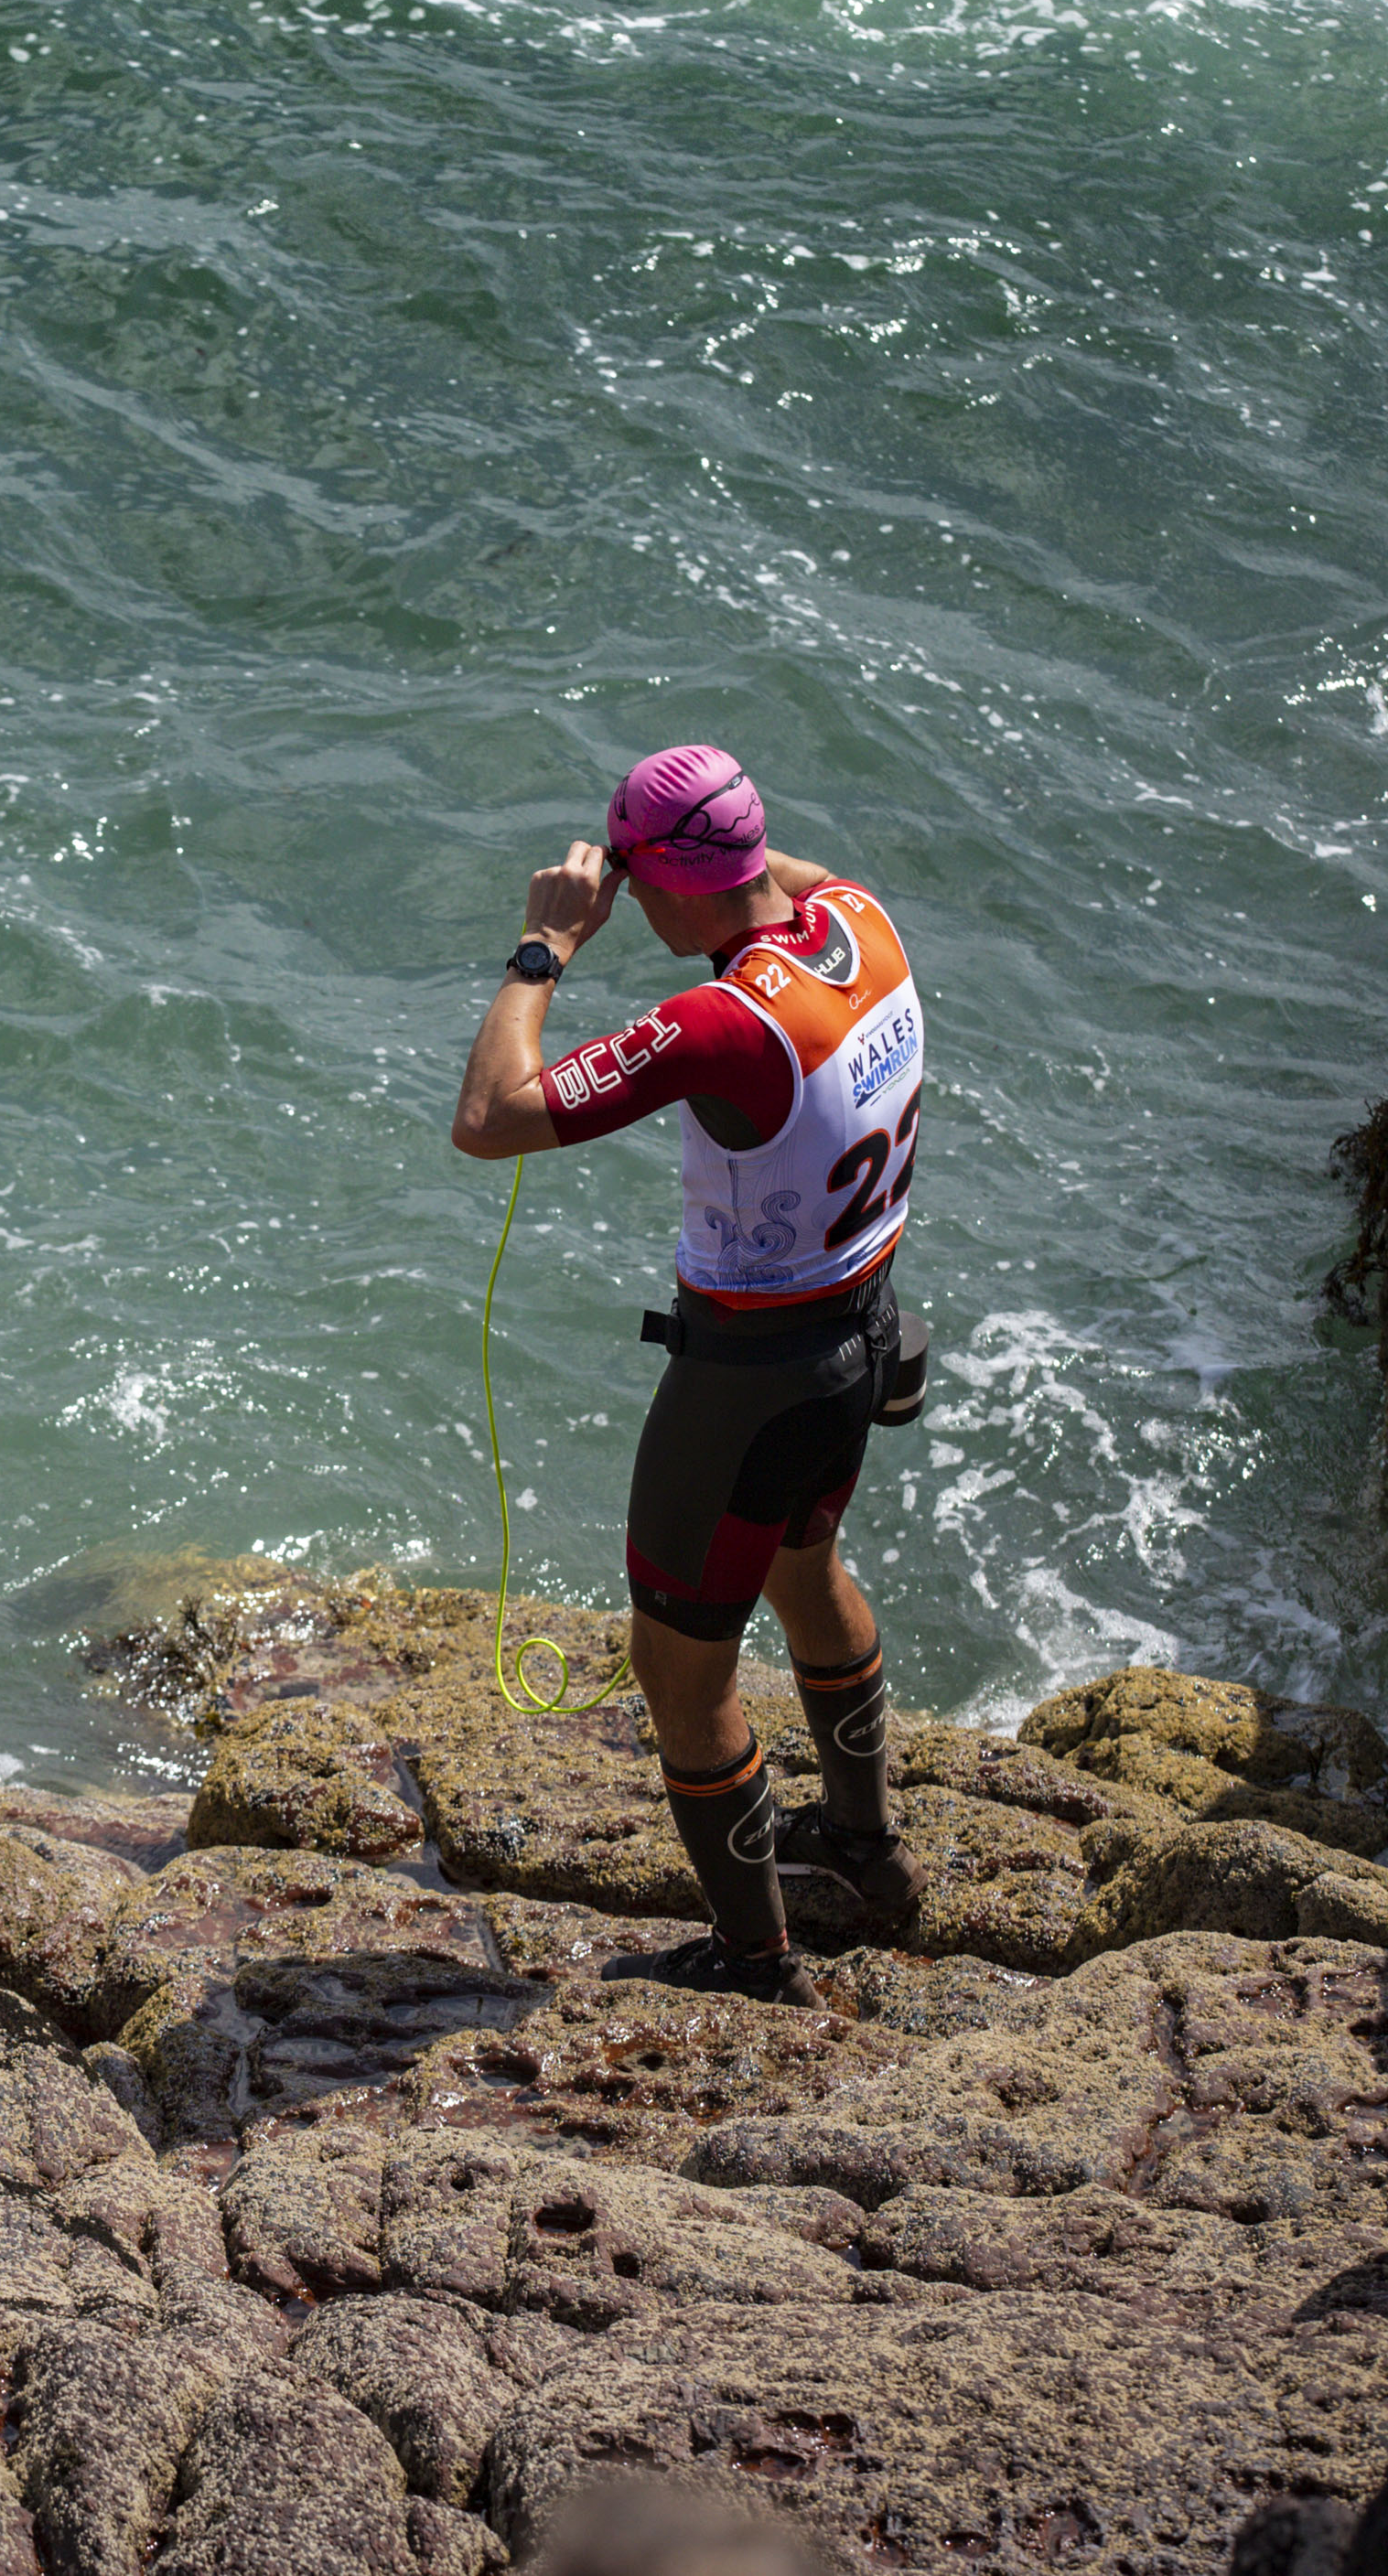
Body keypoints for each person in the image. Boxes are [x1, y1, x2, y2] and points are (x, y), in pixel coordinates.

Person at [447, 745, 931, 2008]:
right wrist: (695, 845)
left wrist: (546, 945)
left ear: (664, 883)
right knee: (807, 1569)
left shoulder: (722, 1023)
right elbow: (778, 871)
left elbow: (490, 1116)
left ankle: (756, 1959)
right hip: (858, 1340)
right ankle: (865, 1848)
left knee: (682, 1678)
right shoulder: (860, 922)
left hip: (748, 1391)